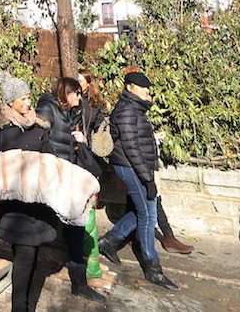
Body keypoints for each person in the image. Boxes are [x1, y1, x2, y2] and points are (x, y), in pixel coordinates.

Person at [0, 71, 55, 312]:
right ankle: (20, 308)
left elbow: (50, 157)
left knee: (32, 255)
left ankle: (26, 305)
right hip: (14, 204)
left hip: (38, 202)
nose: (29, 102)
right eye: (23, 99)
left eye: (29, 97)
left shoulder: (39, 126)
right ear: (11, 101)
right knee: (25, 254)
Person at [98, 71, 180, 291]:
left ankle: (108, 242)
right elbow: (131, 148)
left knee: (142, 211)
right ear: (130, 87)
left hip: (137, 167)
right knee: (147, 215)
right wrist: (147, 178)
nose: (147, 91)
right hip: (130, 167)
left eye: (148, 88)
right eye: (143, 87)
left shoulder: (135, 108)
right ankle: (152, 268)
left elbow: (138, 142)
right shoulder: (126, 110)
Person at [34, 78, 106, 302]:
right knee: (41, 226)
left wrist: (81, 141)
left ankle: (79, 282)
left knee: (76, 226)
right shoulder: (48, 109)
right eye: (76, 93)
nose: (79, 97)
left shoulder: (71, 113)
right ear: (66, 94)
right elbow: (37, 137)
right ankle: (29, 271)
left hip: (68, 177)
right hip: (51, 179)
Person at [76, 70, 116, 289]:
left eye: (81, 81)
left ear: (88, 84)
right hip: (76, 160)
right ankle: (84, 257)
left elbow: (100, 136)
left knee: (89, 209)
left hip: (90, 161)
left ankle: (90, 260)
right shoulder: (72, 103)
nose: (77, 84)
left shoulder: (95, 105)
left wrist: (87, 141)